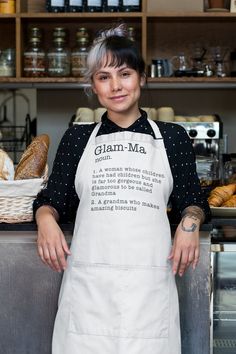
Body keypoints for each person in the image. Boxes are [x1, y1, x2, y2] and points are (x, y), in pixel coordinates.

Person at [33, 23, 211, 354]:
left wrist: (190, 224)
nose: (116, 86)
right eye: (104, 77)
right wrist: (45, 220)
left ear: (141, 78)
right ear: (93, 86)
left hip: (149, 291)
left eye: (125, 74)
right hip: (89, 292)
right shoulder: (78, 138)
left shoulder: (172, 137)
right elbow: (52, 200)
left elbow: (194, 200)